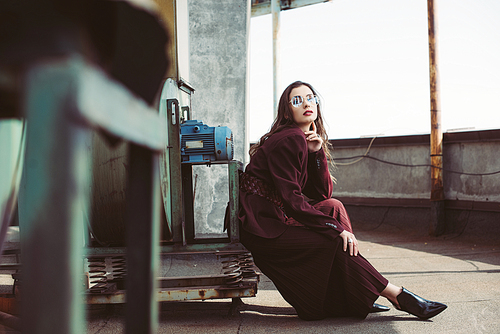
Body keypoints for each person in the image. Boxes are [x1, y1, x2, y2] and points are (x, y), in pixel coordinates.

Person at [238, 80, 447, 320]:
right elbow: (292, 200)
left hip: (270, 217)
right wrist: (337, 230)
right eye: (297, 100)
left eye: (310, 98)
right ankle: (396, 294)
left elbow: (322, 194)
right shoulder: (290, 138)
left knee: (334, 207)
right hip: (261, 227)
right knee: (334, 239)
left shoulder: (301, 138)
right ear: (287, 110)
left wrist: (317, 154)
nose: (306, 103)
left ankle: (359, 293)